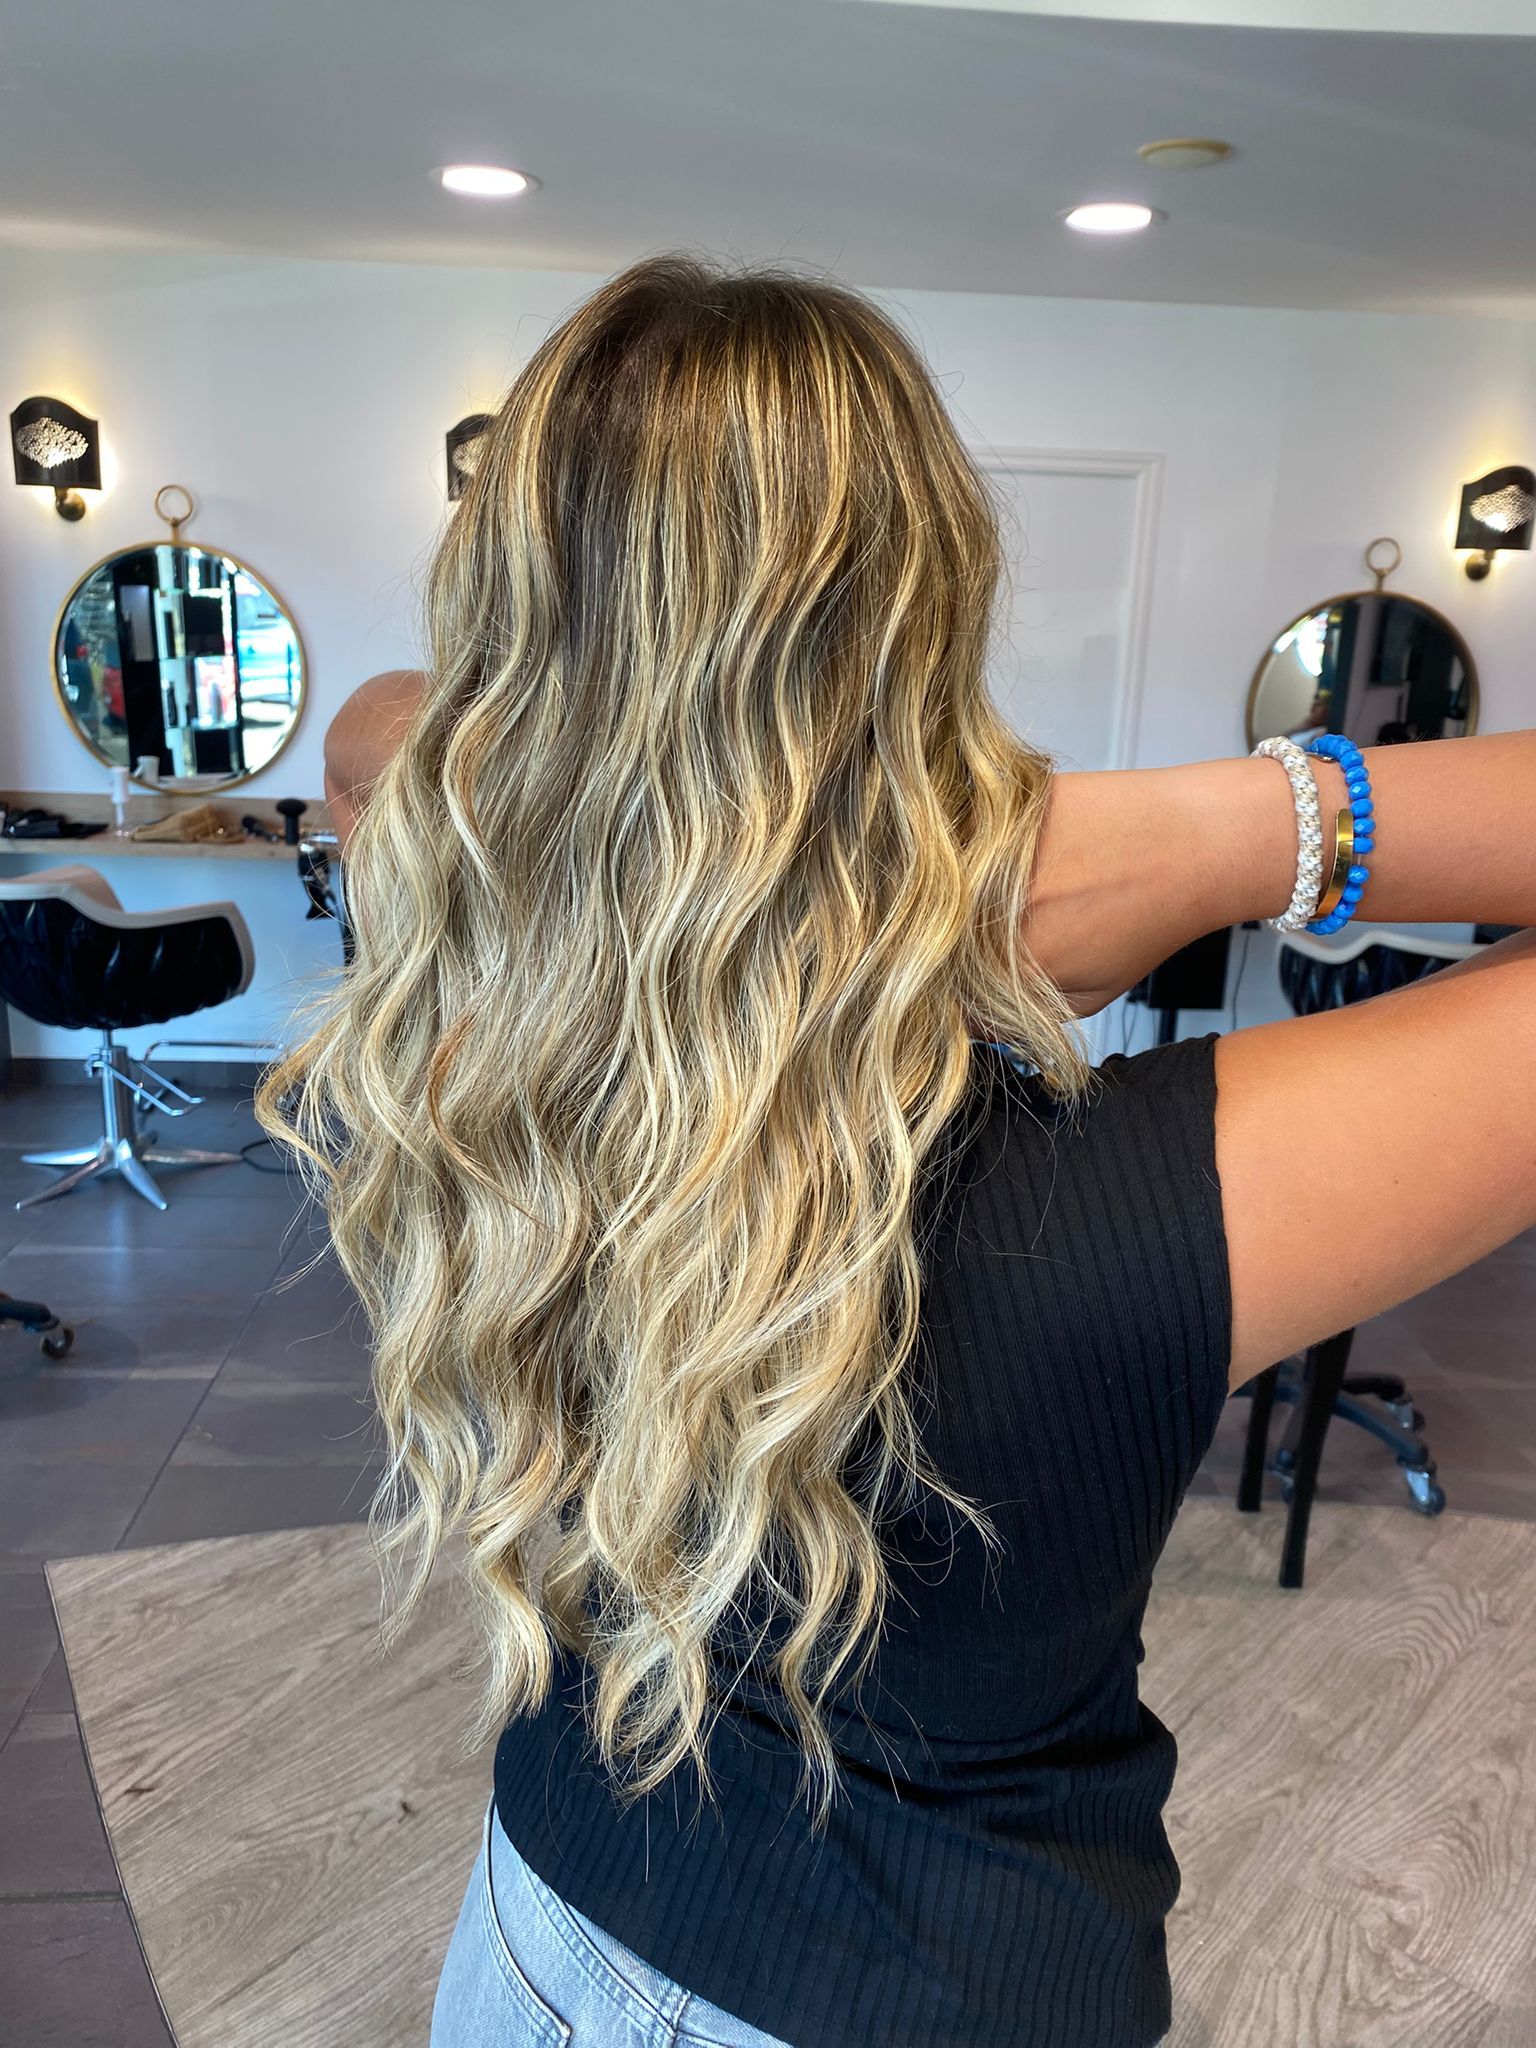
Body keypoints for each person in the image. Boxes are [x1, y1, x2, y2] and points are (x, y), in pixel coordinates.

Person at [259, 254, 1536, 2048]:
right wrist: (1219, 830)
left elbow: (389, 750)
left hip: (538, 1928)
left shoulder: (459, 1081)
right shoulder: (1111, 1213)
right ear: (930, 624)